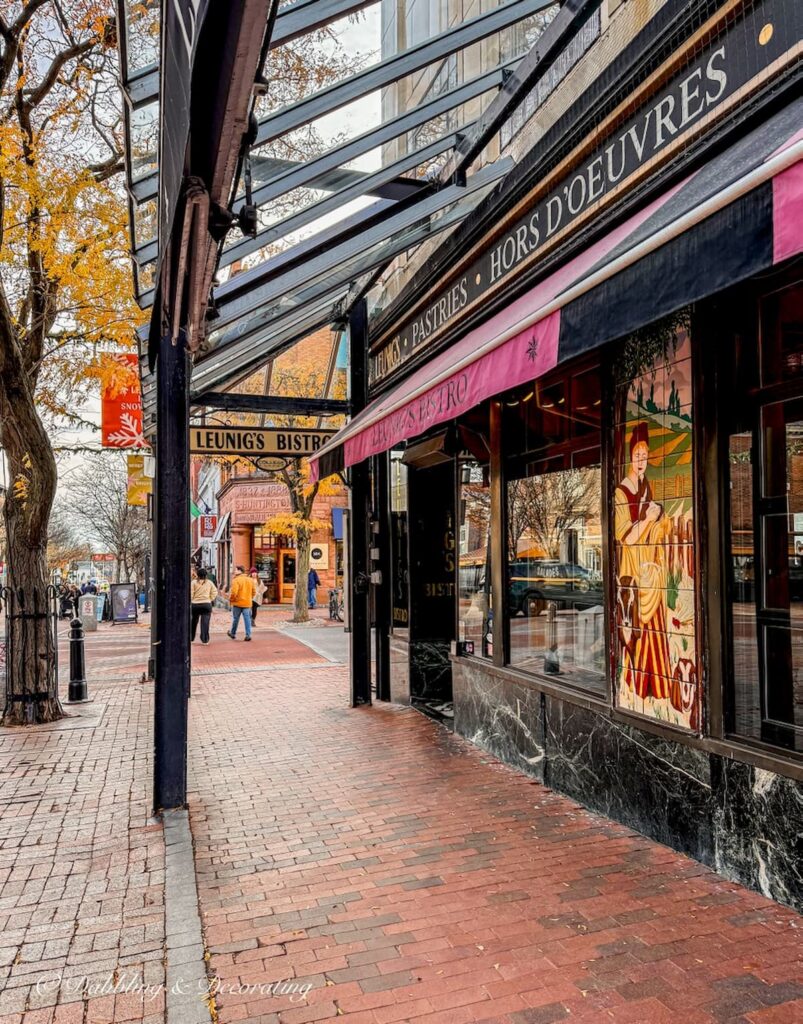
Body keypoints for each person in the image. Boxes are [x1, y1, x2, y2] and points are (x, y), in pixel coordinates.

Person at [228, 565, 255, 640]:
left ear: (240, 571)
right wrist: (249, 597)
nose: (234, 571)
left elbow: (234, 592)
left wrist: (231, 599)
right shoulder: (250, 580)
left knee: (235, 619)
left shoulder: (236, 580)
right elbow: (254, 591)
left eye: (236, 570)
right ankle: (248, 635)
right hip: (247, 602)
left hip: (237, 603)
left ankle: (233, 633)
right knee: (247, 619)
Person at [191, 568, 217, 645]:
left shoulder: (193, 583)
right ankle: (205, 640)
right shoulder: (209, 583)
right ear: (206, 575)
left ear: (197, 575)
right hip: (206, 604)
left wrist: (192, 599)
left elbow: (191, 593)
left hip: (195, 604)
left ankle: (191, 638)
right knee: (205, 623)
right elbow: (215, 592)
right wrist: (210, 599)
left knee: (193, 621)